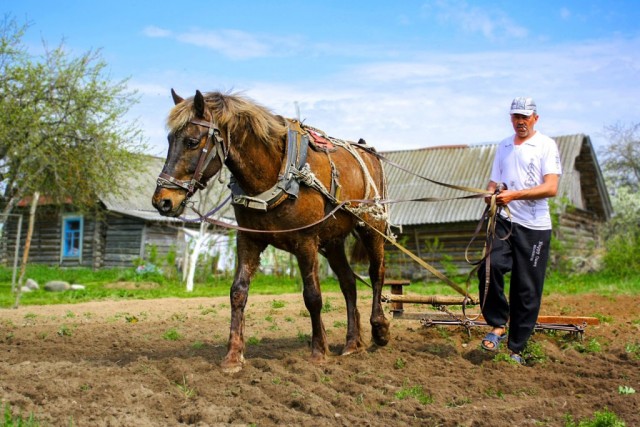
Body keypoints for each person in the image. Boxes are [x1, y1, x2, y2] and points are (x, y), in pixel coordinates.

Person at [478, 97, 562, 365]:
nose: (520, 122)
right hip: (505, 220)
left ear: (535, 118)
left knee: (527, 288)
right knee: (489, 267)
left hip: (534, 227)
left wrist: (515, 195)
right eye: (516, 117)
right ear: (511, 118)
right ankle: (497, 325)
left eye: (525, 117)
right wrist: (489, 194)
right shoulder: (503, 146)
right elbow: (493, 182)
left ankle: (517, 347)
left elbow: (551, 188)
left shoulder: (546, 145)